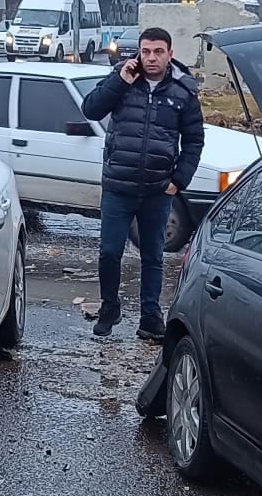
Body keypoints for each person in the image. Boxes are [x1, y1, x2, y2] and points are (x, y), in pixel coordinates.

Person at [79, 25, 204, 340]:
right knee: (109, 253)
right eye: (146, 51)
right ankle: (110, 308)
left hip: (157, 191)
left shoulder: (182, 91)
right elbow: (91, 109)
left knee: (153, 257)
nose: (151, 58)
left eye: (158, 52)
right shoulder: (122, 79)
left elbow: (194, 141)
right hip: (118, 186)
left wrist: (179, 180)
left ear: (170, 54)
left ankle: (150, 318)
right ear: (139, 52)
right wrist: (120, 82)